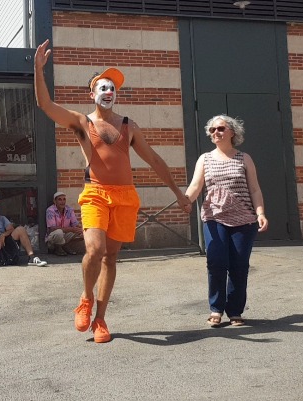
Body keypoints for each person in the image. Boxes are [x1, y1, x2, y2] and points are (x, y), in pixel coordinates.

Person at [34, 39, 190, 343]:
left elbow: (155, 160)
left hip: (124, 196)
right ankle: (85, 298)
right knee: (94, 250)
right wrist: (38, 70)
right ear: (92, 94)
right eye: (102, 87)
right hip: (95, 193)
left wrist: (178, 193)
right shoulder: (82, 122)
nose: (108, 91)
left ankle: (101, 319)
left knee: (111, 257)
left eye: (112, 88)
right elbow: (46, 106)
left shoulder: (129, 126)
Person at [184, 115, 268, 327]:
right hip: (214, 217)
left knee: (239, 266)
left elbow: (255, 189)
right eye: (212, 130)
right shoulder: (205, 159)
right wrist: (186, 200)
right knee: (216, 262)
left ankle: (235, 310)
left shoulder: (244, 158)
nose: (216, 133)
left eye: (220, 128)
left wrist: (260, 213)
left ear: (232, 132)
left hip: (244, 219)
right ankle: (216, 308)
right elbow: (195, 185)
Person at [0, 196, 47, 270]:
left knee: (20, 229)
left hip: (2, 246)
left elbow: (11, 229)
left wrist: (3, 235)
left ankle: (31, 257)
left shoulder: (2, 218)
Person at [45, 191, 83, 256]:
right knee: (59, 232)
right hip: (52, 238)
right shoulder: (50, 210)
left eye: (64, 199)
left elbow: (75, 224)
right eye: (60, 199)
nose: (62, 202)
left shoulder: (69, 209)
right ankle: (58, 248)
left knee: (82, 231)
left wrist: (82, 229)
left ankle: (64, 246)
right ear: (55, 201)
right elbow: (52, 228)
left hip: (65, 235)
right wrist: (71, 229)